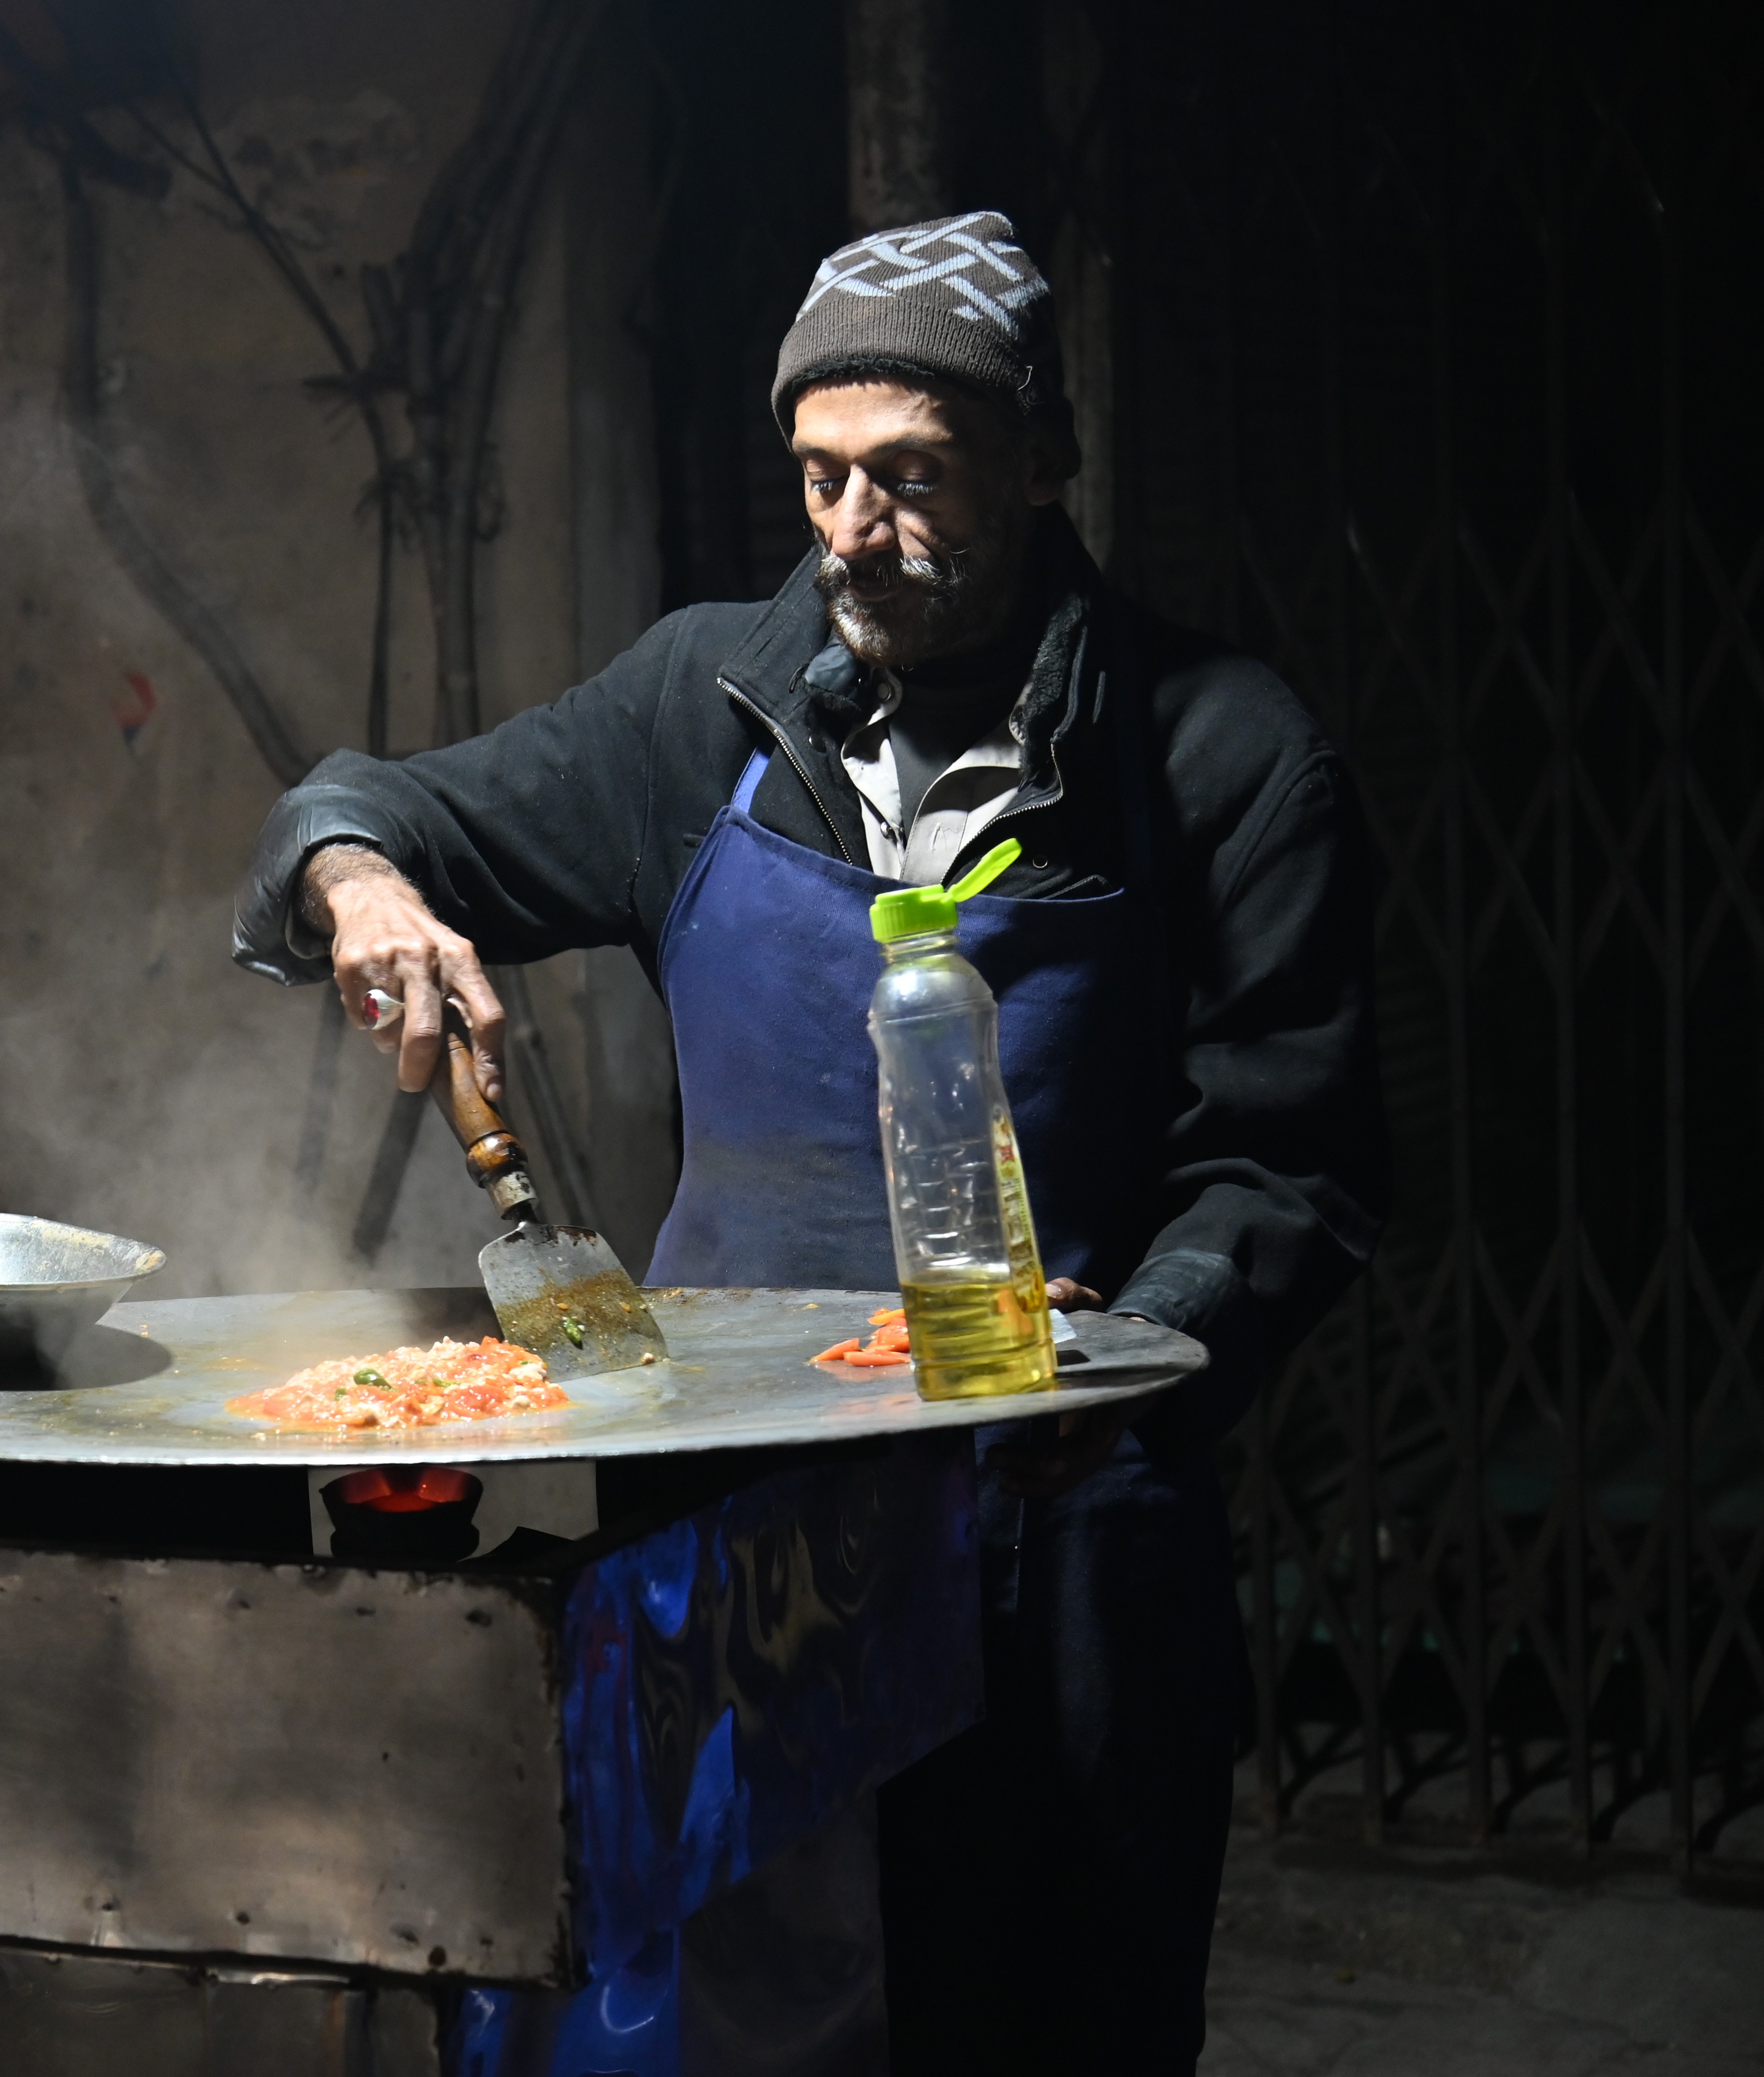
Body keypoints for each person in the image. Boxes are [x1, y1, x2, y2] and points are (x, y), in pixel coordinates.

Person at [233, 212, 1385, 2074]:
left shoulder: (1218, 753)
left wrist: (1142, 1334)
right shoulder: (697, 707)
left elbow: (1292, 1149)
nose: (853, 525)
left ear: (1035, 460)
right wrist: (356, 881)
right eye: (821, 474)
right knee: (732, 2023)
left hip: (1058, 1536)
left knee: (1036, 2015)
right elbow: (375, 805)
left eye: (912, 475)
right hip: (739, 1543)